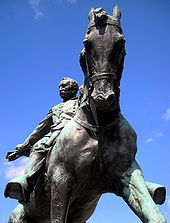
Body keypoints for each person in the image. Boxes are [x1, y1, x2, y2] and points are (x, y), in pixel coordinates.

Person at [4, 77, 79, 203]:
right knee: (39, 146)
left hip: (77, 132)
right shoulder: (55, 108)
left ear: (73, 89)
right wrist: (22, 148)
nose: (61, 89)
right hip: (55, 134)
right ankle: (26, 180)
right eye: (60, 87)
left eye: (64, 86)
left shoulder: (82, 102)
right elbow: (40, 129)